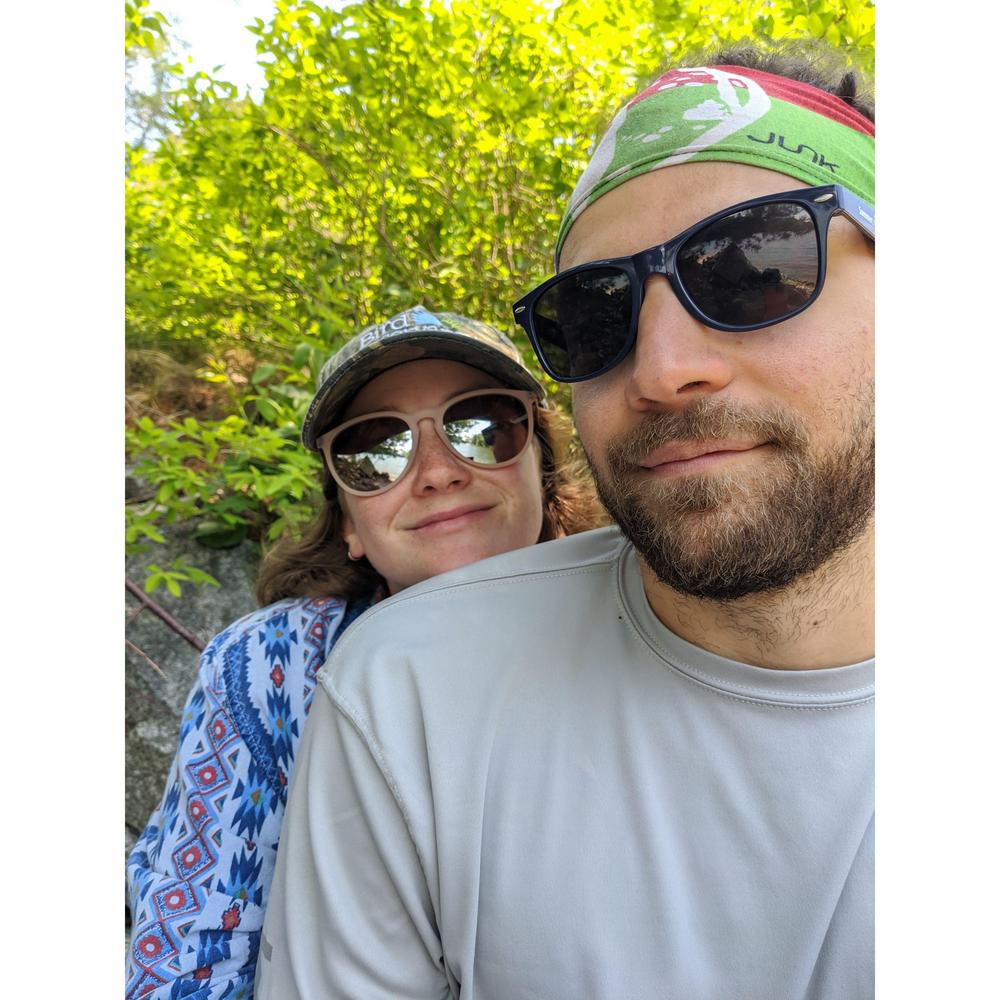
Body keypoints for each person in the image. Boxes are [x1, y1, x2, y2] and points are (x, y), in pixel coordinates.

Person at [256, 47, 875, 1000]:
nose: (661, 370)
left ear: (546, 469)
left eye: (755, 266)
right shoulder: (384, 687)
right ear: (339, 517)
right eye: (594, 318)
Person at [124, 305, 605, 999]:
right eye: (375, 451)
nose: (437, 472)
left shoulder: (656, 628)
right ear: (349, 521)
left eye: (483, 425)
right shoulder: (271, 670)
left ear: (542, 466)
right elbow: (187, 961)